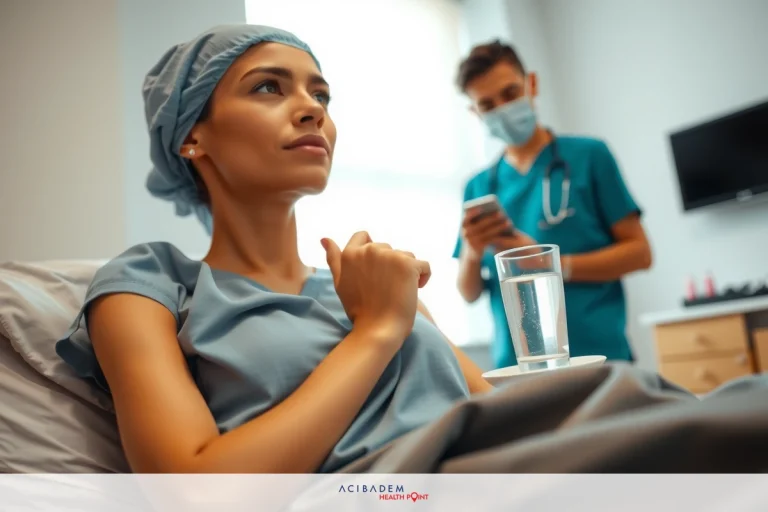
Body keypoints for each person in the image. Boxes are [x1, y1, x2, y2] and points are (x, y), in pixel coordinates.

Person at [55, 24, 493, 474]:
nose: (311, 109)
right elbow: (193, 490)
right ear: (190, 136)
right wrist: (375, 334)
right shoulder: (151, 285)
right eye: (268, 87)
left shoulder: (370, 283)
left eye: (321, 96)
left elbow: (497, 416)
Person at [453, 40, 652, 370]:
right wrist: (472, 253)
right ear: (475, 113)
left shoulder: (589, 156)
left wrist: (550, 266)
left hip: (599, 356)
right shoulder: (478, 187)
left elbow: (640, 253)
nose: (502, 109)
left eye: (510, 93)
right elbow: (469, 292)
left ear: (532, 84)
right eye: (487, 104)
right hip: (518, 368)